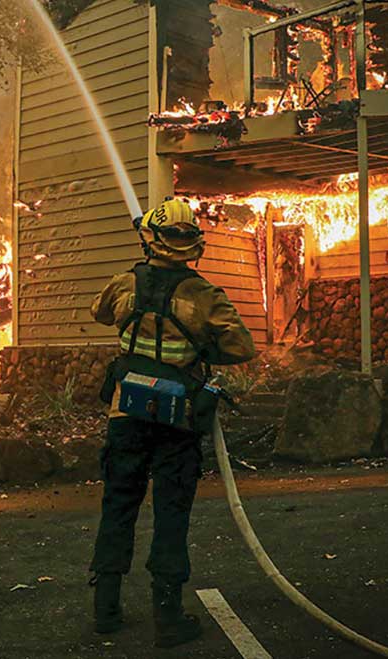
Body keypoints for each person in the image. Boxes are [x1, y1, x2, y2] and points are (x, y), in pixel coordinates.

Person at [87, 197, 256, 648]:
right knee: (171, 512)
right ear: (192, 244)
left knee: (118, 503)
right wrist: (202, 349)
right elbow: (241, 347)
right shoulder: (203, 295)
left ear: (151, 238)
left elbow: (99, 313)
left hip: (126, 412)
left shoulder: (126, 282)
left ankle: (106, 608)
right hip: (177, 418)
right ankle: (168, 616)